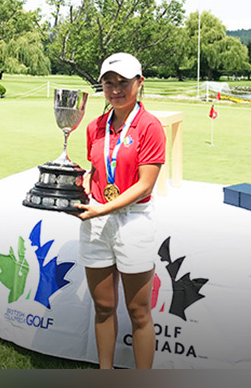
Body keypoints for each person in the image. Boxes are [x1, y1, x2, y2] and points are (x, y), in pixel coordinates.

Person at [74, 52, 166, 369]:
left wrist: (102, 209)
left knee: (139, 311)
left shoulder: (150, 127)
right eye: (109, 83)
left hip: (133, 221)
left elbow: (145, 185)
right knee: (103, 306)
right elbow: (98, 167)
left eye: (124, 82)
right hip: (98, 221)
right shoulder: (94, 127)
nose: (116, 89)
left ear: (139, 83)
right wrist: (86, 179)